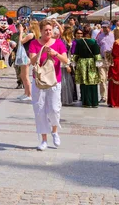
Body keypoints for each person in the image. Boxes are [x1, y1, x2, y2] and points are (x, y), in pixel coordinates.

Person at [28, 20, 68, 151]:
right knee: (40, 110)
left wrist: (55, 54)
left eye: (50, 30)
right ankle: (44, 139)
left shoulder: (58, 43)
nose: (48, 32)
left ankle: (55, 131)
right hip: (39, 81)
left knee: (55, 109)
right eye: (46, 30)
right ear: (41, 30)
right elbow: (32, 61)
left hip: (54, 80)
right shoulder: (34, 43)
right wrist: (41, 52)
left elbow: (66, 60)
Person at [73, 25, 101, 108]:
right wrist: (98, 63)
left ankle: (86, 102)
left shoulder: (79, 42)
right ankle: (94, 102)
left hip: (82, 63)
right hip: (91, 62)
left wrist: (73, 63)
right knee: (93, 82)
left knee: (84, 82)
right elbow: (97, 55)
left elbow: (76, 54)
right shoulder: (93, 42)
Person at [17, 21, 38, 101]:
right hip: (26, 55)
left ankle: (29, 94)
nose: (27, 26)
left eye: (28, 25)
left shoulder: (31, 35)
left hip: (26, 56)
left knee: (25, 76)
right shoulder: (33, 34)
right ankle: (26, 93)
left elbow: (21, 41)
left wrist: (21, 32)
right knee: (22, 75)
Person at [96, 21, 115, 103]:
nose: (104, 29)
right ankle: (103, 96)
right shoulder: (100, 36)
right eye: (103, 27)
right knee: (102, 78)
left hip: (110, 58)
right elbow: (97, 46)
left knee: (111, 78)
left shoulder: (113, 35)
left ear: (109, 27)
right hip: (101, 58)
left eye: (105, 27)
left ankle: (111, 95)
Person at [60, 26, 77, 106]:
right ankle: (64, 98)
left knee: (69, 81)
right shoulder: (63, 41)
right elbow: (63, 53)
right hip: (64, 62)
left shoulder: (71, 40)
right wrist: (66, 65)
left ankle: (69, 98)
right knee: (65, 81)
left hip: (70, 61)